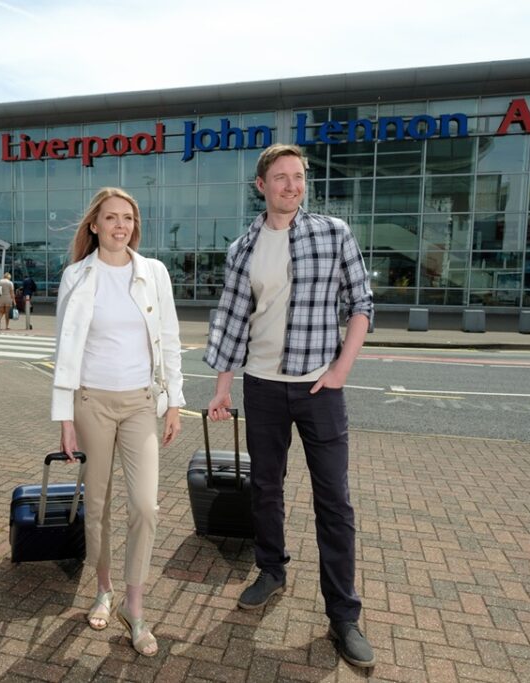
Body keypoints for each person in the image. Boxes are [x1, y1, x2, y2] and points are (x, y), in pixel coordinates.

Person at [204, 144, 376, 669]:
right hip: (261, 385)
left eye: (298, 177)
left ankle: (343, 615)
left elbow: (362, 303)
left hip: (320, 388)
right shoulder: (244, 248)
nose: (291, 186)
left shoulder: (333, 233)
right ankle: (271, 570)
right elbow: (233, 319)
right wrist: (222, 387)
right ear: (262, 185)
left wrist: (341, 369)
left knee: (335, 502)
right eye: (280, 178)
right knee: (265, 488)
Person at [52, 187, 184, 657]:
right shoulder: (76, 276)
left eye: (127, 218)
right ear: (95, 225)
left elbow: (168, 338)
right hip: (91, 401)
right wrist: (64, 417)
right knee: (100, 504)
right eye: (111, 218)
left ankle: (135, 604)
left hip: (140, 403)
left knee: (145, 506)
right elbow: (64, 352)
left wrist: (174, 402)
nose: (120, 225)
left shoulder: (154, 273)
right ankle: (103, 588)